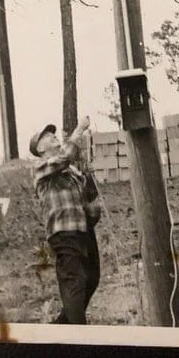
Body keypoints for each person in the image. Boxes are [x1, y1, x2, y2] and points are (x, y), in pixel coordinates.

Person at [30, 116, 102, 325]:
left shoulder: (72, 171)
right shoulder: (40, 167)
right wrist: (79, 130)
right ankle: (79, 336)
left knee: (92, 278)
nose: (53, 136)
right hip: (63, 232)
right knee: (75, 283)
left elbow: (87, 198)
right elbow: (64, 157)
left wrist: (92, 207)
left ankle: (60, 326)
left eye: (53, 134)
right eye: (46, 136)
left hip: (83, 230)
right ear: (40, 149)